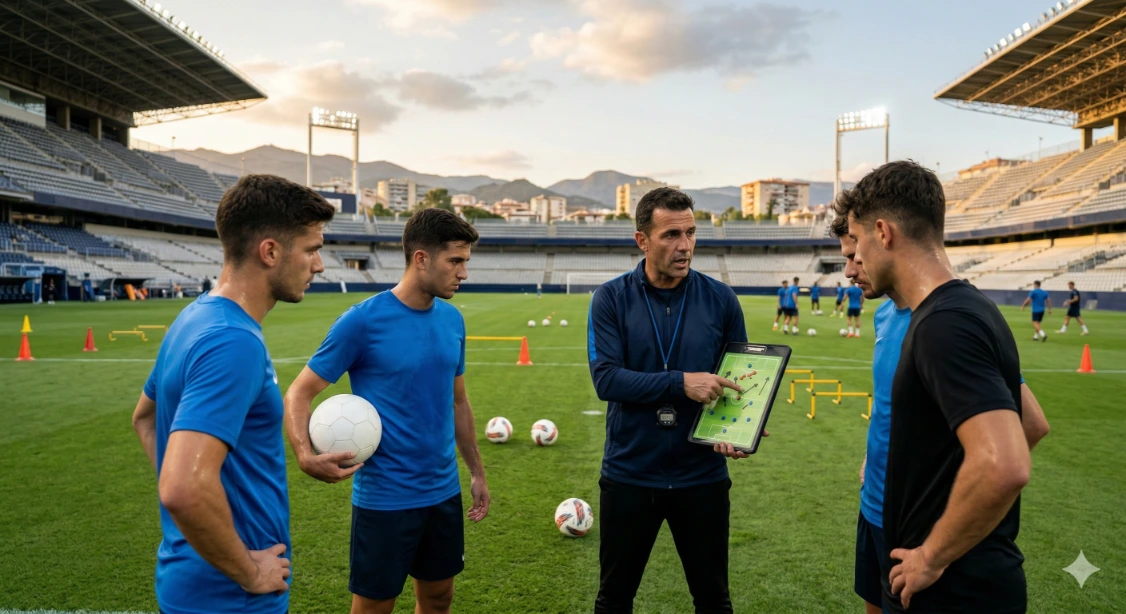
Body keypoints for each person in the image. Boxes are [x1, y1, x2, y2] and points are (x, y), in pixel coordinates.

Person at [129, 174, 335, 614]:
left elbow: (144, 418)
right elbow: (182, 489)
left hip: (191, 579)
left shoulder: (195, 316)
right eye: (312, 250)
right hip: (228, 597)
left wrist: (191, 517)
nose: (319, 265)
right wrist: (248, 571)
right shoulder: (233, 341)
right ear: (270, 251)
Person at [829, 211, 1050, 614]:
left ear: (882, 234)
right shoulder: (886, 314)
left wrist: (944, 522)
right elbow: (895, 411)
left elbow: (1027, 428)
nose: (849, 269)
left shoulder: (946, 322)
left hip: (924, 532)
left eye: (856, 253)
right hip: (877, 510)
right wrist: (876, 458)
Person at [284, 208, 490, 614]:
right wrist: (305, 454)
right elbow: (298, 393)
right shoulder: (362, 322)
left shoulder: (452, 321)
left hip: (443, 493)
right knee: (374, 607)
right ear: (421, 259)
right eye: (456, 261)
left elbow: (458, 402)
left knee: (438, 599)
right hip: (386, 499)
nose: (464, 272)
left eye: (466, 261)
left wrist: (477, 472)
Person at [587, 187, 752, 614]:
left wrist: (741, 425)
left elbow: (740, 380)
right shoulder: (611, 298)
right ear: (642, 240)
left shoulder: (721, 299)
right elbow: (606, 380)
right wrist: (680, 383)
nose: (685, 246)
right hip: (630, 474)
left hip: (701, 476)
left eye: (692, 233)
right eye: (672, 235)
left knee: (714, 600)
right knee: (614, 599)